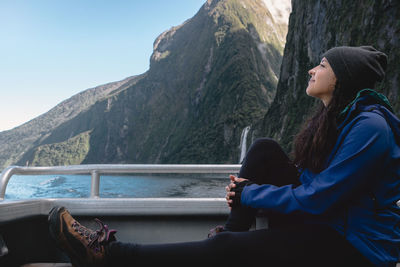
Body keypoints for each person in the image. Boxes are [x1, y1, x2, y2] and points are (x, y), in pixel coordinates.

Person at [48, 46, 400, 267]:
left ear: (342, 78)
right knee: (263, 148)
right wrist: (251, 188)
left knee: (231, 246)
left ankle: (109, 255)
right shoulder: (338, 119)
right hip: (333, 222)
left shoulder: (370, 128)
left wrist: (250, 192)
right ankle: (229, 235)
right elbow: (310, 182)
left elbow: (320, 197)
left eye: (322, 65)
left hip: (355, 245)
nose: (312, 69)